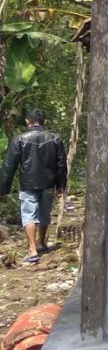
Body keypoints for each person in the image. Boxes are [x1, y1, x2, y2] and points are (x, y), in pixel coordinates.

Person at [0, 109, 67, 264]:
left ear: (27, 121)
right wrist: (61, 185)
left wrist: (3, 188)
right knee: (44, 214)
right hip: (49, 184)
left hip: (28, 184)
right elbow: (61, 164)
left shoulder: (20, 139)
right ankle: (42, 243)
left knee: (29, 215)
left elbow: (9, 166)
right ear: (45, 122)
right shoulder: (55, 139)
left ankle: (32, 250)